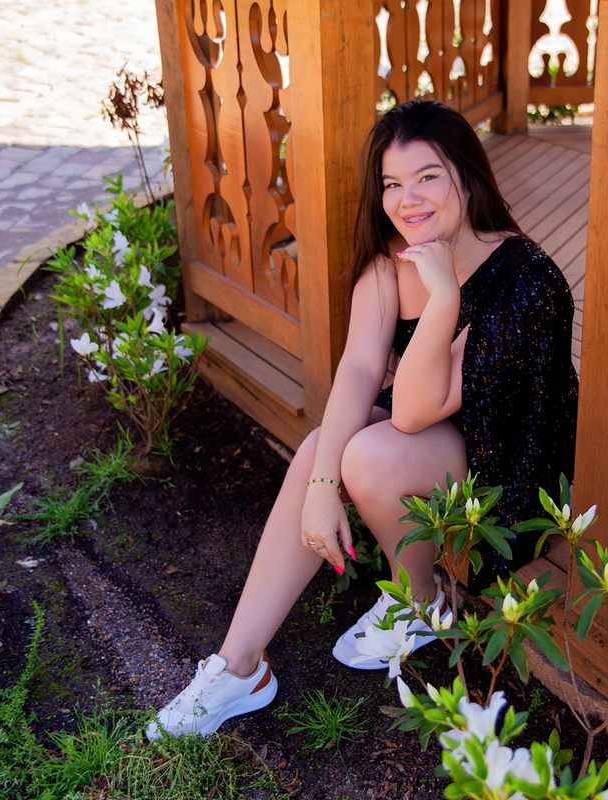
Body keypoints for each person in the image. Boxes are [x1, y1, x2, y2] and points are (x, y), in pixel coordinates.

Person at [147, 99, 578, 739]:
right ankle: (238, 666)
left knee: (368, 456)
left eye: (428, 176)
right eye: (393, 184)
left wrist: (444, 299)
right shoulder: (389, 261)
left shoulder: (527, 280)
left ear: (468, 176)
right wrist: (322, 492)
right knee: (326, 446)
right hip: (440, 434)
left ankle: (421, 596)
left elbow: (410, 409)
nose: (409, 200)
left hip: (512, 465)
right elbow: (356, 371)